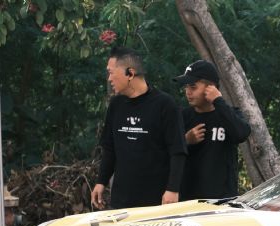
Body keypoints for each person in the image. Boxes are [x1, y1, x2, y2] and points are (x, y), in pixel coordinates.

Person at [92, 47, 186, 209]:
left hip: (157, 201)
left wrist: (173, 189)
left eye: (111, 73)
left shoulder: (165, 104)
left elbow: (178, 151)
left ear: (130, 73)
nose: (109, 79)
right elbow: (110, 149)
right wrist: (101, 182)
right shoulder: (116, 105)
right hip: (121, 201)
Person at [174, 59, 251, 200]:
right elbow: (163, 152)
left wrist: (218, 101)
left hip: (222, 200)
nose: (188, 92)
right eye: (186, 87)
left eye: (193, 87)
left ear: (211, 88)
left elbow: (242, 134)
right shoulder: (182, 117)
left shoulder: (229, 114)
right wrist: (185, 140)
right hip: (188, 200)